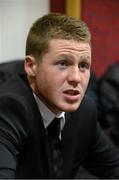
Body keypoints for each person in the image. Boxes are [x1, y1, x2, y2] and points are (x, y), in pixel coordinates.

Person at [0, 13, 119, 179]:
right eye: (63, 64)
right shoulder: (9, 107)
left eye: (83, 65)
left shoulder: (85, 110)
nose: (76, 78)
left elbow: (114, 169)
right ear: (31, 66)